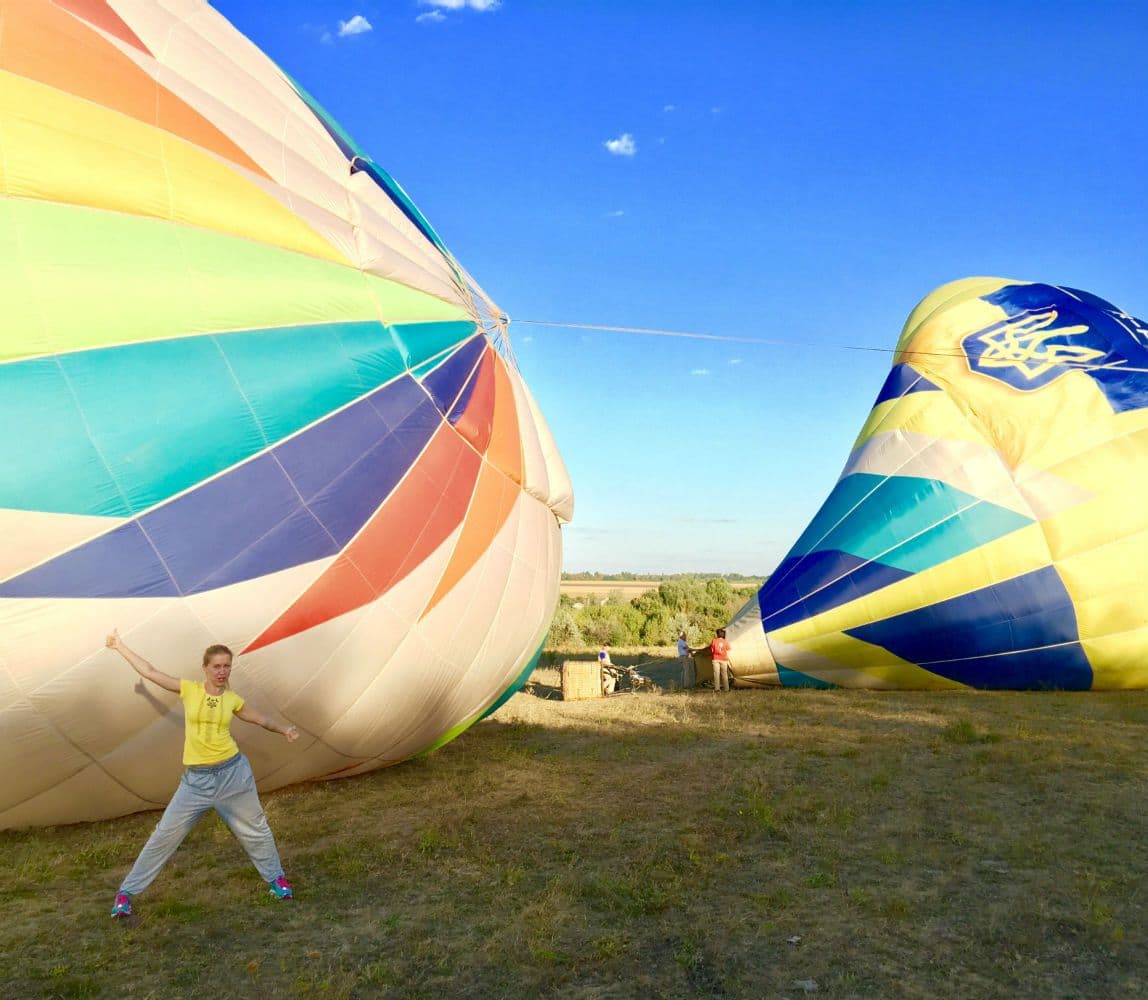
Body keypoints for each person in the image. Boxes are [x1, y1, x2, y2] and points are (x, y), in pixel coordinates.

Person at [106, 629, 299, 918]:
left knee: (256, 829)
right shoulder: (190, 689)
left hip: (233, 775)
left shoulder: (232, 700)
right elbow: (150, 671)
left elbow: (259, 718)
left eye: (226, 666)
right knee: (164, 836)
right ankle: (126, 894)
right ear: (205, 668)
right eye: (217, 666)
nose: (222, 671)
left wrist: (285, 729)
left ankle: (277, 881)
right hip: (196, 782)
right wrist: (119, 646)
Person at [710, 628, 732, 693]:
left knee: (716, 674)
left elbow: (712, 650)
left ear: (717, 634)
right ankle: (726, 689)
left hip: (715, 659)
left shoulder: (714, 641)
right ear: (723, 634)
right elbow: (728, 649)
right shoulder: (725, 641)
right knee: (724, 674)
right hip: (724, 659)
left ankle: (717, 689)